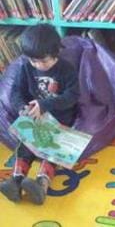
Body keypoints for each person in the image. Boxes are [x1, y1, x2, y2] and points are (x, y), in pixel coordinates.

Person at [0, 24, 79, 205]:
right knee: (25, 146)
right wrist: (22, 108)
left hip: (60, 117)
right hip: (35, 117)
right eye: (34, 61)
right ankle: (16, 180)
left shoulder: (67, 70)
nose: (38, 65)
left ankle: (41, 185)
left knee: (51, 150)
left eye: (44, 61)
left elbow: (72, 96)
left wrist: (45, 104)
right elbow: (15, 92)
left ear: (57, 52)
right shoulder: (26, 67)